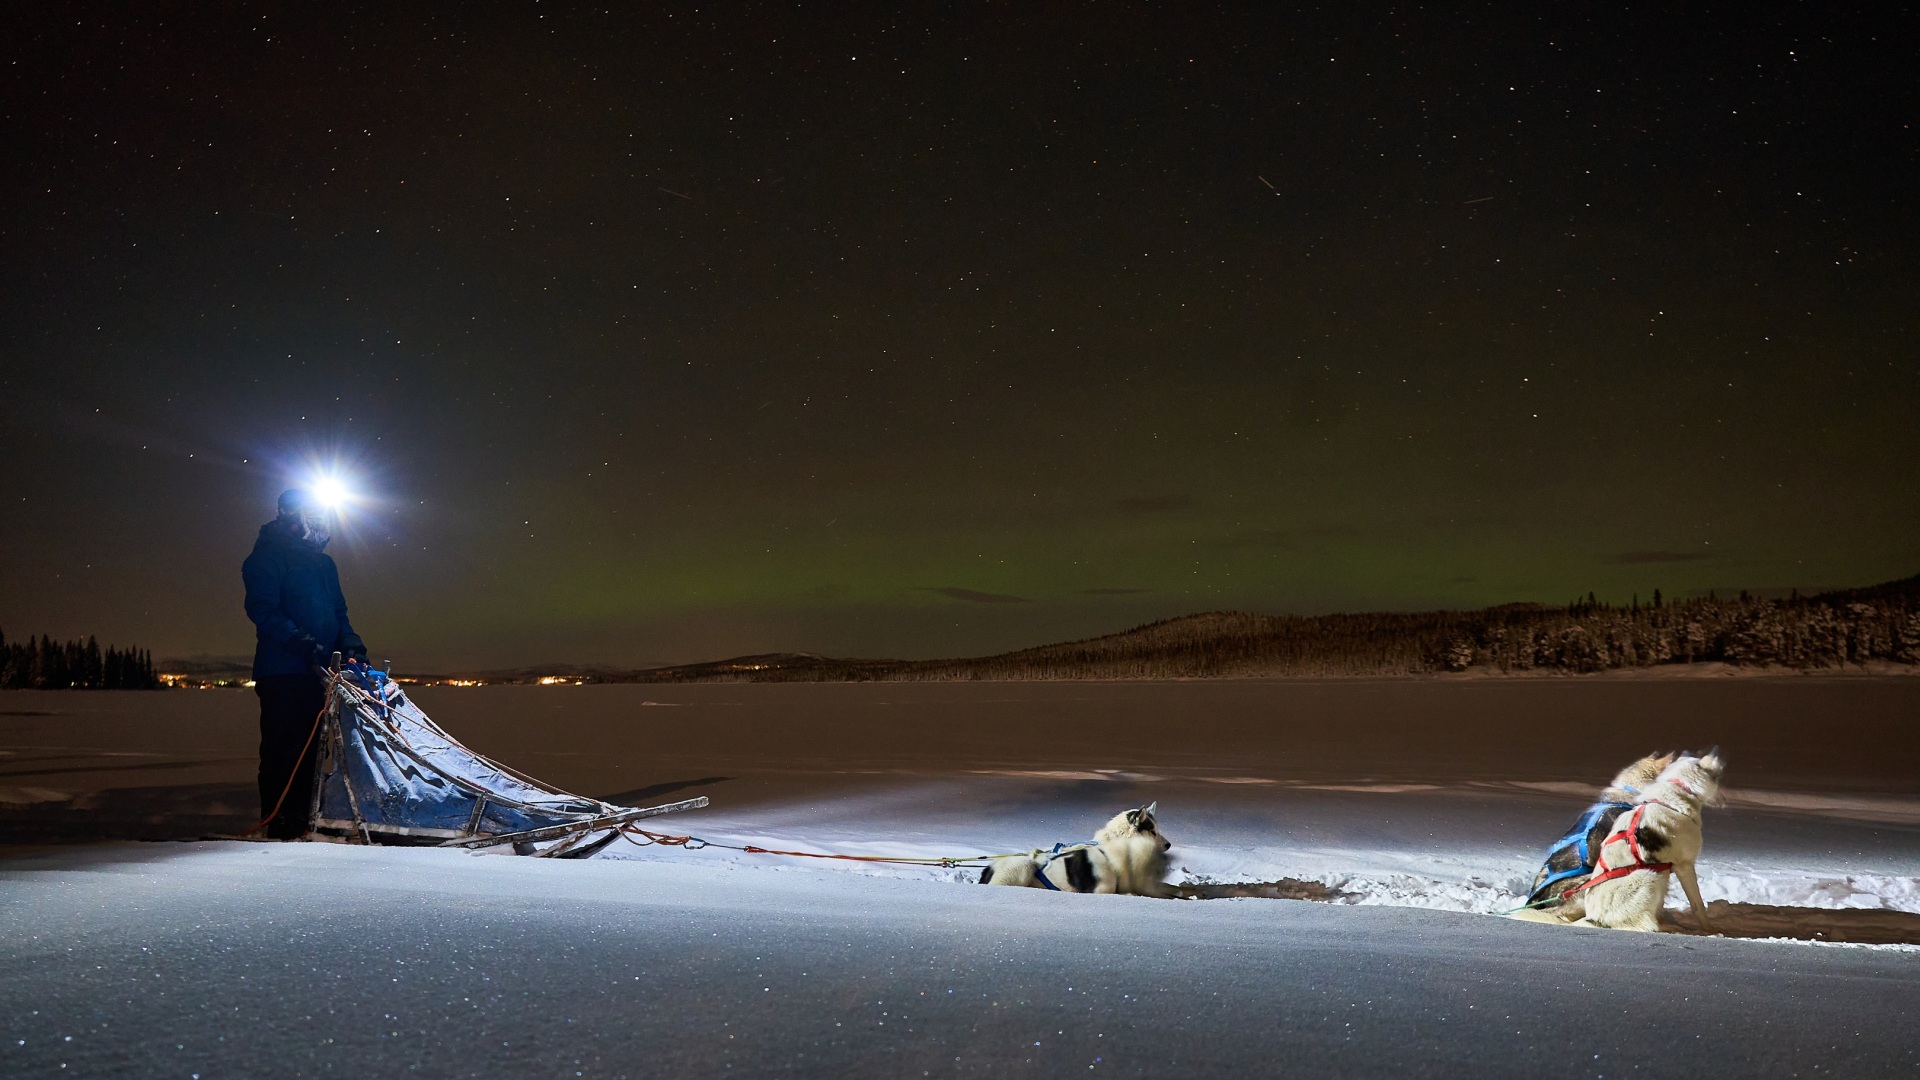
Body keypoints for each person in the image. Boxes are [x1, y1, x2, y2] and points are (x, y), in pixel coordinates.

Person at [242, 488, 367, 838]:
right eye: (310, 516)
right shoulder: (266, 558)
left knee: (313, 752)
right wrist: (299, 641)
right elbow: (262, 609)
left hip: (320, 672)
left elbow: (338, 614)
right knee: (285, 749)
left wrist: (351, 645)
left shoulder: (325, 565)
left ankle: (307, 819)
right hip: (283, 672)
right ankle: (280, 822)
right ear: (291, 516)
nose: (317, 523)